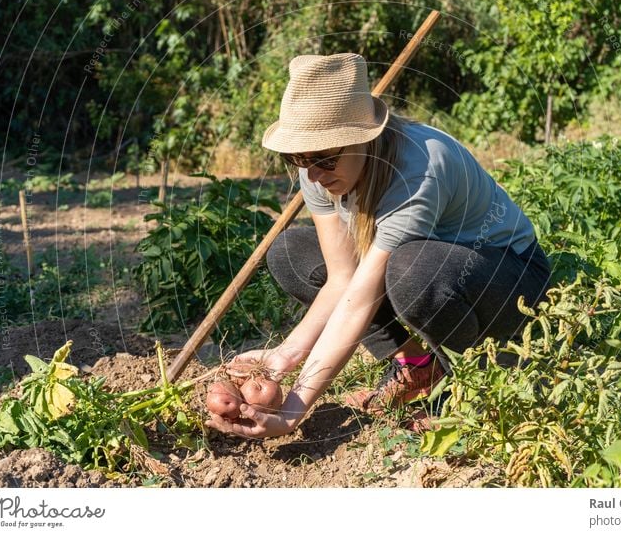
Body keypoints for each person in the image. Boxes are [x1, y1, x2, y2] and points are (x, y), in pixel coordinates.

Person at [205, 52, 551, 439]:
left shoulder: (417, 172)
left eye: (324, 159)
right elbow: (342, 279)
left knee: (412, 270)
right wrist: (287, 354)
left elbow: (361, 298)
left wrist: (295, 408)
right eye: (298, 158)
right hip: (431, 269)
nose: (314, 175)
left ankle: (471, 387)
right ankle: (418, 365)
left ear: (363, 140)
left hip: (508, 277)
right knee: (291, 253)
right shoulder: (314, 167)